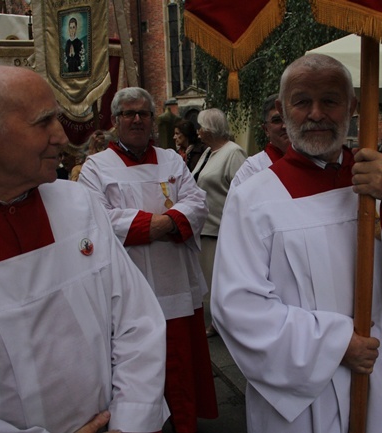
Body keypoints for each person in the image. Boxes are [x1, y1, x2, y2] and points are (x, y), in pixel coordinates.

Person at [210, 53, 382, 433]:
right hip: (311, 389)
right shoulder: (253, 196)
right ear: (283, 111)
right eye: (302, 101)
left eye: (331, 100)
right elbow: (237, 306)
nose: (316, 113)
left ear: (352, 107)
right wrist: (335, 344)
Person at [0, 65, 169, 433]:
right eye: (44, 122)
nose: (61, 136)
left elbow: (136, 322)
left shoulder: (78, 204)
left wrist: (130, 420)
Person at [78, 87, 218, 433]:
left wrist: (164, 222)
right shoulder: (96, 167)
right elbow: (93, 219)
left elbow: (197, 202)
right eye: (128, 113)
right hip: (127, 289)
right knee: (136, 373)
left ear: (153, 120)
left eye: (143, 113)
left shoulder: (172, 160)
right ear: (115, 121)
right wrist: (157, 223)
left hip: (175, 286)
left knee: (179, 368)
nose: (137, 119)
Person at [190, 108, 246, 337]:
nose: (198, 132)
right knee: (211, 281)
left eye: (201, 126)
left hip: (222, 229)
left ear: (210, 129)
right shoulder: (208, 153)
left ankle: (226, 325)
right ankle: (218, 321)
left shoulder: (234, 153)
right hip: (206, 227)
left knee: (220, 282)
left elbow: (243, 192)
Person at [231, 93, 290, 188]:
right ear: (266, 129)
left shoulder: (314, 161)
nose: (285, 126)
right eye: (277, 120)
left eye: (288, 119)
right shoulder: (251, 169)